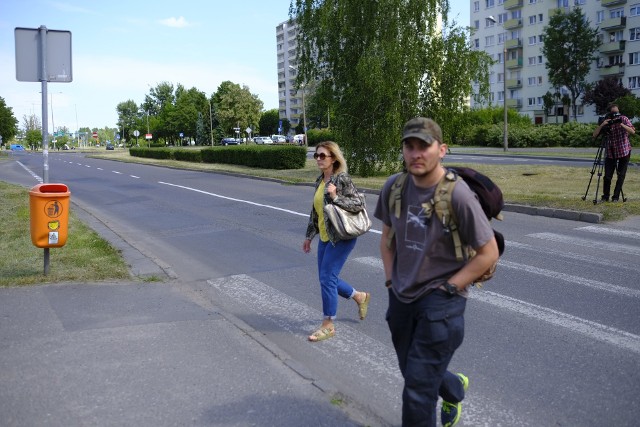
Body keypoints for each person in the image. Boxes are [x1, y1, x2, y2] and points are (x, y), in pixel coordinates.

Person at [374, 118, 499, 427]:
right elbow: (386, 240)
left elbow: (489, 253)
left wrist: (451, 288)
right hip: (401, 297)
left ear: (441, 150)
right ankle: (454, 387)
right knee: (412, 370)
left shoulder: (458, 196)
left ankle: (445, 390)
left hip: (441, 303)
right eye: (409, 146)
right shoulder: (394, 186)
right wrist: (391, 279)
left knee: (417, 390)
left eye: (424, 146)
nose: (416, 153)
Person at [303, 141, 371, 342]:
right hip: (326, 236)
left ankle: (328, 325)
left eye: (322, 156)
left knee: (327, 278)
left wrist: (335, 197)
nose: (318, 159)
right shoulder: (319, 181)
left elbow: (358, 204)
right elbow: (315, 212)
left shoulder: (341, 179)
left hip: (342, 236)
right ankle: (359, 296)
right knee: (327, 278)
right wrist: (309, 236)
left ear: (333, 158)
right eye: (316, 155)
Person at [592, 103, 635, 202]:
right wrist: (603, 124)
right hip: (610, 152)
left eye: (617, 113)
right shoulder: (606, 121)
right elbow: (594, 135)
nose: (616, 116)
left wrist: (621, 124)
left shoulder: (623, 119)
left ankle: (615, 197)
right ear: (609, 114)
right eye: (614, 114)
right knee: (607, 176)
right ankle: (605, 196)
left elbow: (632, 131)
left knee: (621, 175)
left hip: (624, 150)